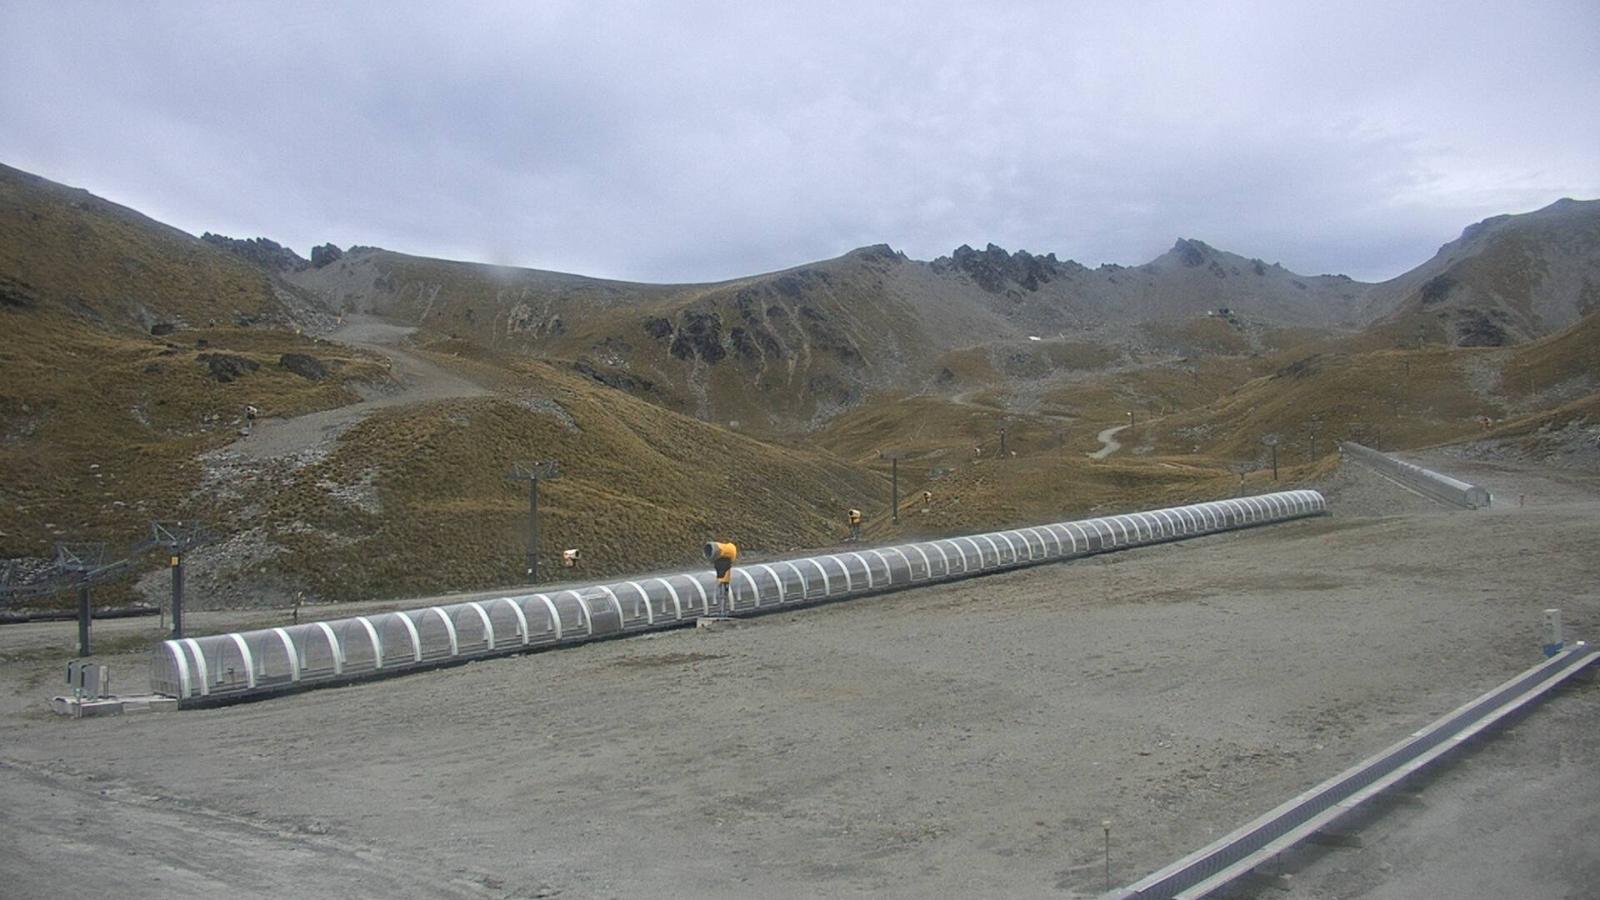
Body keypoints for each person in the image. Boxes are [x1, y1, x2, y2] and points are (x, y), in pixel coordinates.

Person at [704, 541, 738, 616]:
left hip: (724, 570)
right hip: (723, 567)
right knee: (722, 590)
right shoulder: (727, 551)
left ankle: (723, 611)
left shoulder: (726, 552)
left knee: (723, 591)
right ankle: (721, 610)